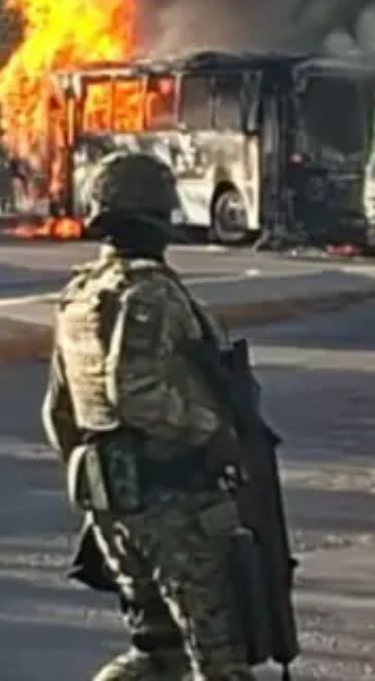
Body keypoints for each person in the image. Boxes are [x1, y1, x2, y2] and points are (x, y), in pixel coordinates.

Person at [43, 153, 253, 681]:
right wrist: (211, 431)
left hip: (113, 504)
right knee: (220, 659)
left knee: (156, 653)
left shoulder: (79, 296)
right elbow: (134, 393)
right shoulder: (148, 292)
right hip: (173, 501)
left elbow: (59, 411)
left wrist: (102, 478)